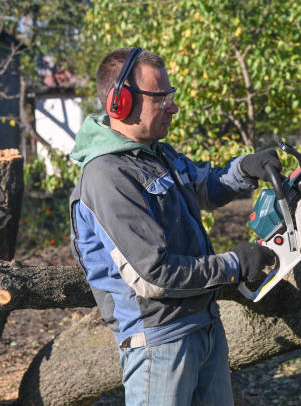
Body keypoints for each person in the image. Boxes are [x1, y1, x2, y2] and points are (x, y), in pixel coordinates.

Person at [69, 47, 279, 405]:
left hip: (204, 326)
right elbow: (153, 275)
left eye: (171, 96)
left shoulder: (156, 154)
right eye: (161, 97)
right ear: (121, 102)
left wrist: (248, 168)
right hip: (160, 342)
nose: (173, 106)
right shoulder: (108, 176)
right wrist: (234, 265)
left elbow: (204, 184)